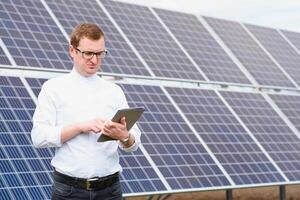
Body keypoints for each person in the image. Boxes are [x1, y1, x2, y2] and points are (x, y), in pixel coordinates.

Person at [31, 22, 141, 200]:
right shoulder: (53, 88)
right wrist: (80, 127)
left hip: (110, 191)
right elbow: (39, 137)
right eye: (88, 53)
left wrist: (124, 136)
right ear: (72, 51)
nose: (95, 60)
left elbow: (133, 143)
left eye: (100, 53)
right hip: (69, 191)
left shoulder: (114, 91)